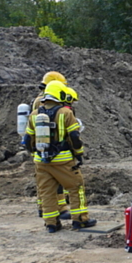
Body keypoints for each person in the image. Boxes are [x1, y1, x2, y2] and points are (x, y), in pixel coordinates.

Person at [23, 80, 97, 233]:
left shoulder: (34, 114)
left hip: (41, 161)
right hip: (63, 160)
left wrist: (34, 154)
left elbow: (27, 140)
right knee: (77, 188)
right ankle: (80, 220)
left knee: (47, 192)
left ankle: (51, 224)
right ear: (60, 94)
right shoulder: (65, 113)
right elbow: (74, 137)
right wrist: (79, 153)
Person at [31, 71, 71, 220]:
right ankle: (60, 208)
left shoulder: (38, 100)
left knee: (43, 180)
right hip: (50, 145)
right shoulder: (44, 102)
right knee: (55, 179)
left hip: (39, 144)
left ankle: (44, 207)